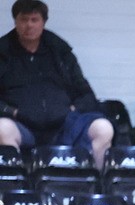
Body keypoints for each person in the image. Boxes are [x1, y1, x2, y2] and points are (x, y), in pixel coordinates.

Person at [0, 1, 112, 169]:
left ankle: (96, 184)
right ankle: (16, 186)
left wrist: (70, 111)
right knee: (2, 129)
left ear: (43, 22)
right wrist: (13, 112)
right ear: (15, 21)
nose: (29, 25)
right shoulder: (3, 52)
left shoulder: (60, 52)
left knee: (103, 128)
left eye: (34, 19)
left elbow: (87, 94)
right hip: (21, 125)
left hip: (64, 124)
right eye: (24, 19)